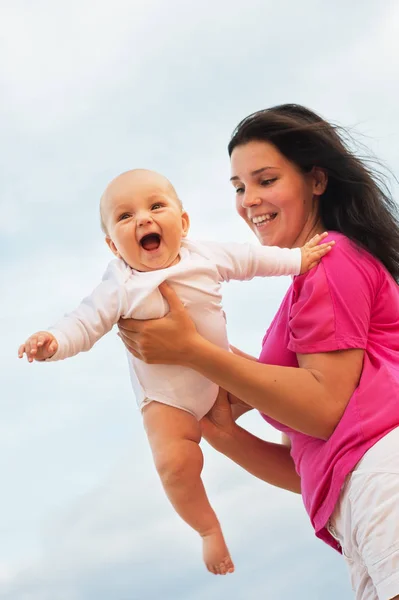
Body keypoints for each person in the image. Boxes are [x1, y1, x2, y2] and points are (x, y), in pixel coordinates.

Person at [115, 106, 399, 600]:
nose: (250, 201)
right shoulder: (307, 284)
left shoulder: (331, 259)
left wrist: (193, 351)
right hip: (360, 501)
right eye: (239, 187)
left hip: (385, 482)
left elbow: (323, 407)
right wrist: (216, 426)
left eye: (265, 180)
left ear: (316, 180)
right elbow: (307, 464)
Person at [18, 168, 333, 576]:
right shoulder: (118, 283)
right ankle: (207, 529)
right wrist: (53, 342)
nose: (144, 219)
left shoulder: (205, 254)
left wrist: (298, 260)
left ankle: (311, 447)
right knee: (174, 466)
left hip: (222, 370)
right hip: (167, 400)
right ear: (114, 245)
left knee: (281, 391)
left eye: (155, 206)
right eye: (126, 216)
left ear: (182, 223)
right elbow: (84, 320)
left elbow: (253, 259)